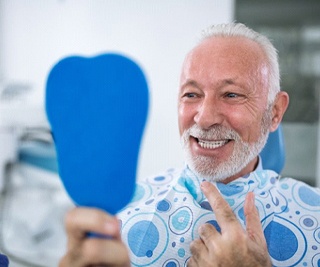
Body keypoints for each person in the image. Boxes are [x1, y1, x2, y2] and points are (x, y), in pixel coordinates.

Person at [59, 23, 320, 267]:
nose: (204, 118)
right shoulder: (120, 219)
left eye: (231, 94)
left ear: (274, 112)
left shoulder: (314, 216)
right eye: (191, 94)